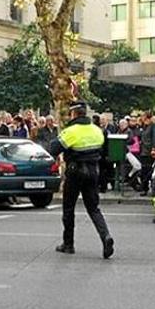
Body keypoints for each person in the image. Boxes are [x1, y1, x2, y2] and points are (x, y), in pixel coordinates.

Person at [49, 101, 114, 259]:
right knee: (94, 208)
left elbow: (54, 149)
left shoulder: (71, 131)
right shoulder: (97, 130)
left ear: (74, 114)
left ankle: (68, 244)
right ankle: (105, 236)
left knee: (69, 208)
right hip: (93, 171)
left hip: (75, 171)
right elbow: (104, 151)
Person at [139, 113, 155, 196]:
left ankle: (149, 188)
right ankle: (144, 188)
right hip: (144, 151)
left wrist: (154, 149)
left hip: (149, 152)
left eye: (143, 117)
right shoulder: (145, 127)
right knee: (144, 170)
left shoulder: (153, 126)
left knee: (149, 171)